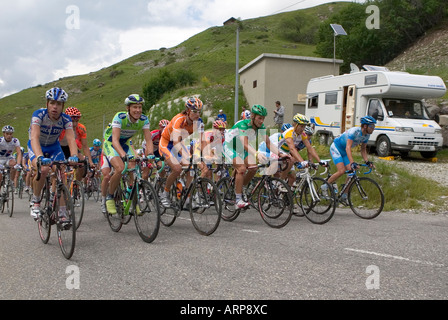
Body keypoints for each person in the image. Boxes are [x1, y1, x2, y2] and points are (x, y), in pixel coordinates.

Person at [28, 87, 79, 222]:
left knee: (62, 174)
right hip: (36, 146)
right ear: (47, 104)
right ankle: (36, 201)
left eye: (59, 104)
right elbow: (34, 137)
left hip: (53, 147)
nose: (55, 107)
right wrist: (39, 157)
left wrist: (73, 155)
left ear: (63, 106)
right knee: (43, 169)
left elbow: (70, 139)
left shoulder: (66, 119)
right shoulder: (38, 115)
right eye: (52, 103)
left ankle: (62, 212)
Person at [223, 104, 286, 210]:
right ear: (252, 116)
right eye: (259, 118)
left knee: (254, 168)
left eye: (263, 118)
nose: (261, 121)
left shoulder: (261, 127)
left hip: (241, 148)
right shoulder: (243, 125)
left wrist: (280, 154)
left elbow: (268, 143)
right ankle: (238, 200)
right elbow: (245, 144)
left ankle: (240, 187)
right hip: (230, 146)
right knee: (242, 168)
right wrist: (256, 153)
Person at [103, 94, 155, 214]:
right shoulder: (120, 117)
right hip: (111, 143)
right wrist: (123, 155)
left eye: (139, 107)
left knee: (134, 167)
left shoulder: (144, 119)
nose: (138, 110)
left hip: (125, 144)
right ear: (128, 108)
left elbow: (148, 140)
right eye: (134, 107)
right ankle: (110, 197)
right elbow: (115, 140)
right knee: (120, 168)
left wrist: (150, 153)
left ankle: (132, 199)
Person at [158, 97, 207, 208]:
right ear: (188, 111)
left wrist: (202, 157)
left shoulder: (199, 122)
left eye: (199, 111)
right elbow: (175, 142)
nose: (197, 114)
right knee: (177, 168)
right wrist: (189, 157)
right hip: (167, 143)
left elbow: (202, 141)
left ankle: (187, 198)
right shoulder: (178, 119)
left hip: (180, 144)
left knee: (191, 169)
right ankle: (164, 194)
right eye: (195, 111)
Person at [326, 115, 376, 204]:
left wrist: (367, 161)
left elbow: (363, 149)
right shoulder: (354, 131)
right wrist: (352, 162)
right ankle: (325, 186)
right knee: (341, 171)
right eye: (372, 126)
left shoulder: (366, 135)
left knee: (351, 172)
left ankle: (344, 196)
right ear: (365, 126)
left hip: (344, 152)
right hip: (336, 148)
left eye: (374, 126)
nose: (373, 128)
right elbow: (348, 147)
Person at [60, 106, 95, 180]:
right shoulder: (60, 127)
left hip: (72, 148)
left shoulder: (81, 128)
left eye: (76, 121)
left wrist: (90, 162)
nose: (74, 124)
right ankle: (62, 189)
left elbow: (85, 146)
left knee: (82, 164)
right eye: (72, 121)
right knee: (61, 169)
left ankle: (77, 185)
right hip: (60, 148)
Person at [0, 125, 22, 194]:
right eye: (7, 133)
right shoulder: (0, 140)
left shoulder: (15, 141)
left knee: (14, 164)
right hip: (0, 158)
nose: (9, 135)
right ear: (4, 134)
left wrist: (18, 164)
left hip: (8, 158)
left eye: (10, 134)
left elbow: (19, 153)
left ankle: (11, 181)